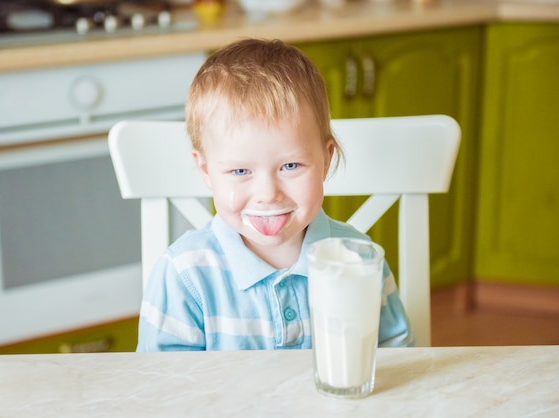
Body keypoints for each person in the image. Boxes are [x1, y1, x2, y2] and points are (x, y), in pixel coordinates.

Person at [136, 38, 414, 351]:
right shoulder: (184, 275)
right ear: (205, 171)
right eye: (240, 172)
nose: (268, 194)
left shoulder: (357, 261)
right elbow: (164, 385)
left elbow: (395, 352)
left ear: (326, 161)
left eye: (291, 166)